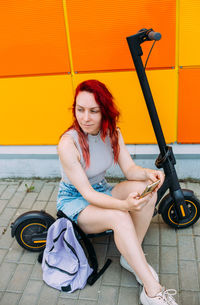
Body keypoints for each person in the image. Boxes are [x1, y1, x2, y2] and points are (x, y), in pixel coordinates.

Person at [57, 79, 178, 305]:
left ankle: (131, 258)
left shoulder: (112, 133)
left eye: (93, 111)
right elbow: (88, 194)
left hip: (101, 190)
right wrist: (124, 206)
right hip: (76, 200)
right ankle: (153, 290)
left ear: (105, 111)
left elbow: (130, 169)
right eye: (80, 109)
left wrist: (148, 174)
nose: (85, 118)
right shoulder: (68, 144)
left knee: (146, 191)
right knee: (120, 215)